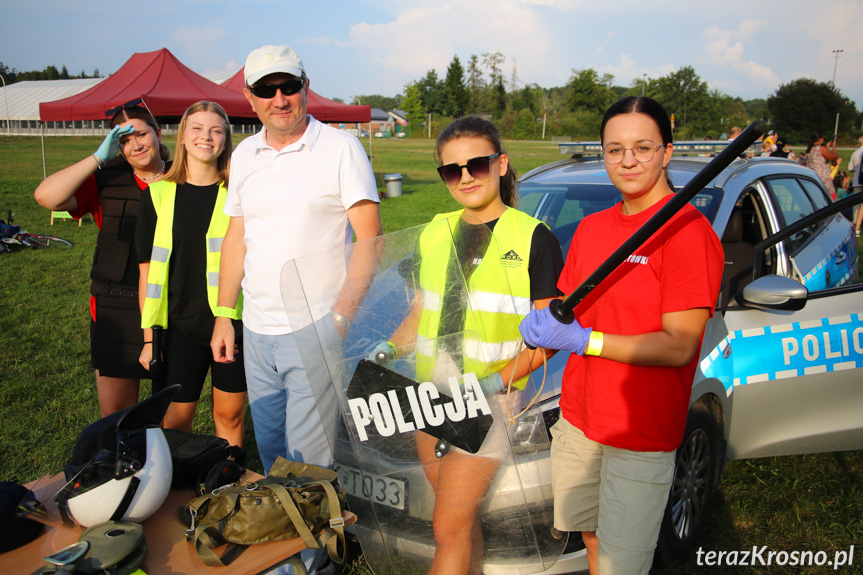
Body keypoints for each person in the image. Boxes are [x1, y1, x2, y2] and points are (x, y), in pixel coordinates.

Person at [519, 96, 724, 575]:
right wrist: (498, 382)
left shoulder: (689, 234)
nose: (627, 160)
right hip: (580, 420)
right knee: (590, 536)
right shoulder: (592, 230)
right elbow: (563, 323)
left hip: (640, 432)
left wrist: (590, 342)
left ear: (667, 152)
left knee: (620, 564)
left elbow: (678, 344)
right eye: (615, 149)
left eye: (643, 147)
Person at [368, 115, 562, 574]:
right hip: (430, 393)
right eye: (452, 170)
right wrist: (385, 351)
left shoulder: (534, 238)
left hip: (489, 398)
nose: (466, 176)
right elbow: (420, 312)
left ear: (501, 164)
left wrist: (498, 381)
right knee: (456, 521)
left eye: (476, 164)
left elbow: (550, 339)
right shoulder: (435, 230)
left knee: (447, 524)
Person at [211, 44, 381, 467]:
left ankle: (316, 535)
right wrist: (224, 313)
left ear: (306, 87)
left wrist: (338, 321)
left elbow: (369, 240)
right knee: (270, 451)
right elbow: (237, 237)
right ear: (249, 98)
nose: (279, 99)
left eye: (288, 86)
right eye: (265, 90)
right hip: (256, 329)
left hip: (315, 327)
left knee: (308, 463)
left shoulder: (341, 148)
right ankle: (283, 528)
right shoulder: (245, 155)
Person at [34, 102, 170, 417]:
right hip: (117, 304)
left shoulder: (185, 177)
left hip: (172, 304)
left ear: (158, 132)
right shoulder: (106, 180)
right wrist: (97, 159)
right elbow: (46, 196)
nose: (135, 145)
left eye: (141, 134)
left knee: (171, 414)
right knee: (119, 416)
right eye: (124, 140)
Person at [136, 101, 246, 447]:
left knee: (229, 416)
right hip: (178, 327)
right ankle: (174, 492)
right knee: (175, 421)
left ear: (226, 140)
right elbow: (146, 271)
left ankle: (229, 489)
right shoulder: (157, 194)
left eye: (216, 130)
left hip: (230, 322)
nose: (206, 137)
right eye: (197, 128)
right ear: (182, 137)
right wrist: (149, 339)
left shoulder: (239, 195)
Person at [805, 131, 838, 197]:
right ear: (819, 139)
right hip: (823, 177)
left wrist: (827, 148)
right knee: (831, 195)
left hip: (812, 176)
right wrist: (834, 146)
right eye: (823, 137)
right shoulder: (821, 149)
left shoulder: (810, 149)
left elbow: (820, 157)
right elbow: (833, 157)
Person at [847, 136, 863, 236]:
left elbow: (850, 168)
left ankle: (855, 221)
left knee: (857, 203)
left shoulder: (855, 153)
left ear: (858, 143)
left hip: (858, 179)